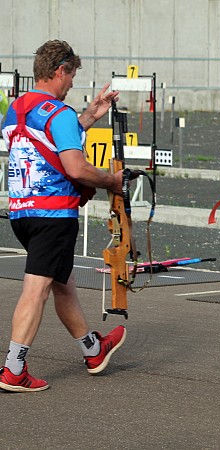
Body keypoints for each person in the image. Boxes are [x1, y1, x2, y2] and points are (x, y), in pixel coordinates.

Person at [0, 40, 126, 392]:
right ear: (60, 71)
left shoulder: (16, 110)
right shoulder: (60, 113)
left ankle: (93, 351)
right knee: (36, 289)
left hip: (21, 214)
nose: (71, 84)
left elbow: (43, 137)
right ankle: (13, 369)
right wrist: (111, 182)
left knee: (63, 284)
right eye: (71, 76)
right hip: (53, 216)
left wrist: (87, 117)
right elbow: (77, 168)